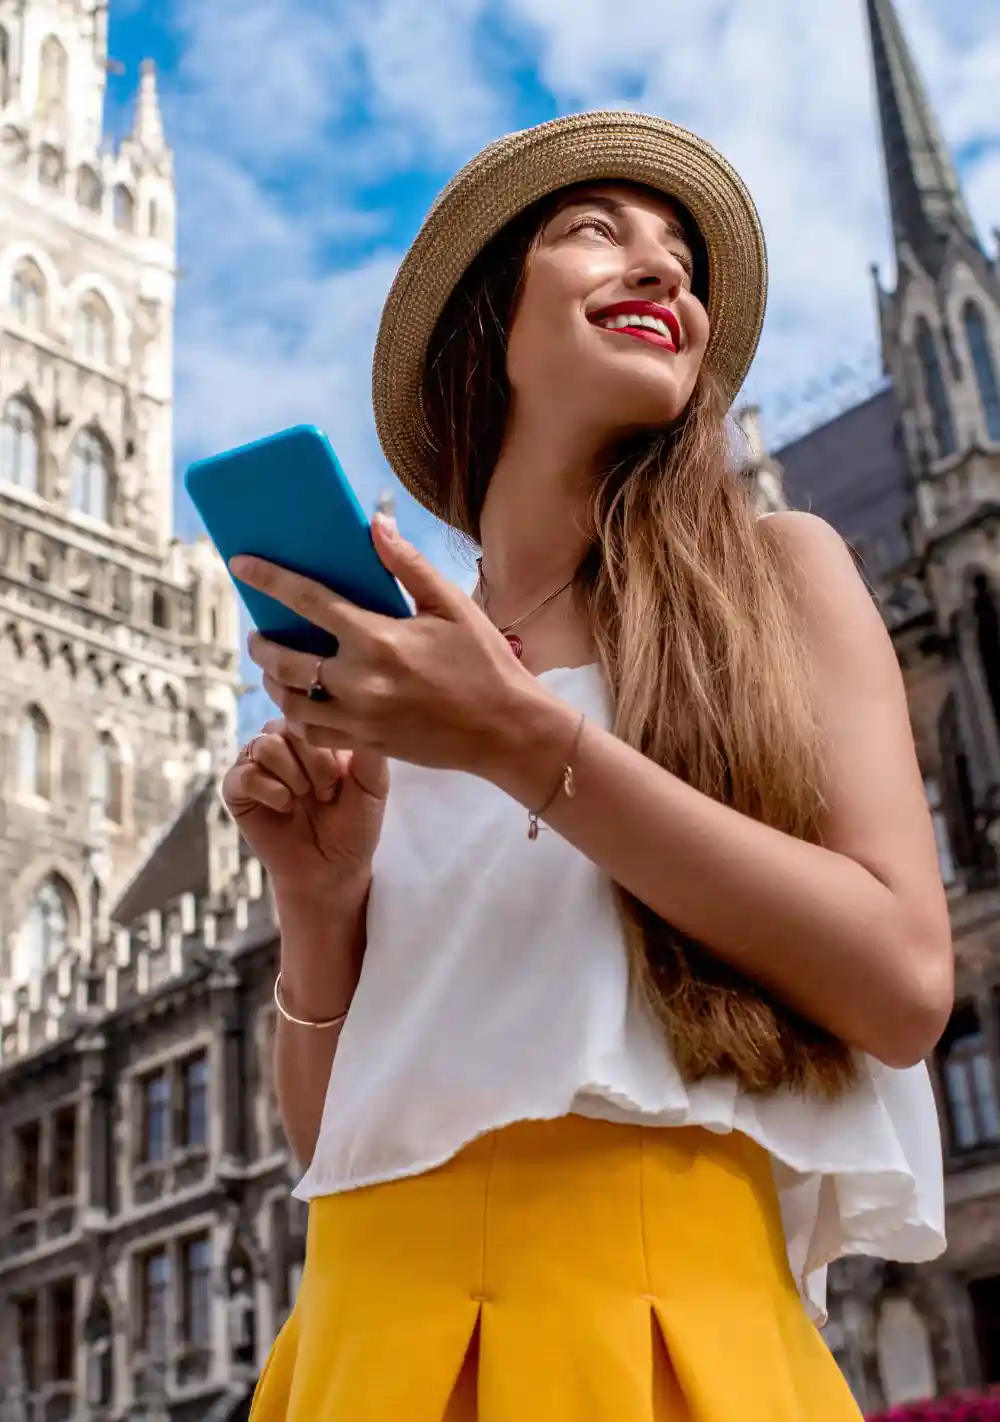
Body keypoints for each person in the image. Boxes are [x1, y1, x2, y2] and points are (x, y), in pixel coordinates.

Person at [224, 112, 951, 1421]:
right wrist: (320, 909)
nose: (664, 269)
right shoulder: (393, 674)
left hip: (668, 1345)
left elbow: (903, 982)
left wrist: (523, 742)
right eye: (596, 230)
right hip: (357, 1346)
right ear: (485, 324)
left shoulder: (781, 576)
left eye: (681, 255)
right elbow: (339, 1141)